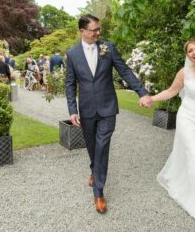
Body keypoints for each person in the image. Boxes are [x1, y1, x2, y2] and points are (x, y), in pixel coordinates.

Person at [65, 14, 152, 214]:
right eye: (94, 30)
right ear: (82, 31)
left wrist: (142, 91)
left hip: (107, 108)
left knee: (102, 146)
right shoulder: (72, 53)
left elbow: (125, 71)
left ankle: (98, 192)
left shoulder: (108, 48)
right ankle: (94, 170)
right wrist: (72, 110)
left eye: (99, 29)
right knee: (92, 147)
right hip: (86, 109)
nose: (98, 32)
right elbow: (70, 84)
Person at [141, 38, 195, 223]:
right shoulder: (184, 73)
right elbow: (171, 91)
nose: (194, 52)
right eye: (190, 51)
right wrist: (152, 98)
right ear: (187, 55)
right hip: (188, 119)